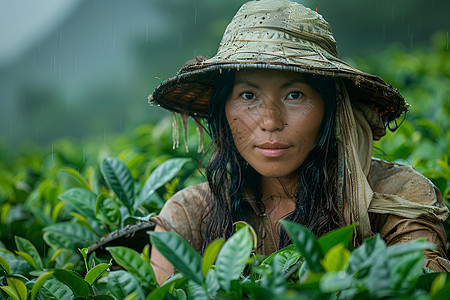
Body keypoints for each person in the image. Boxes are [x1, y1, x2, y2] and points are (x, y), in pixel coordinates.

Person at [148, 0, 449, 284]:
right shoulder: (189, 216)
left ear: (330, 108)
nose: (270, 121)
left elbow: (418, 287)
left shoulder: (397, 198)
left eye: (295, 94)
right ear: (224, 109)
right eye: (248, 96)